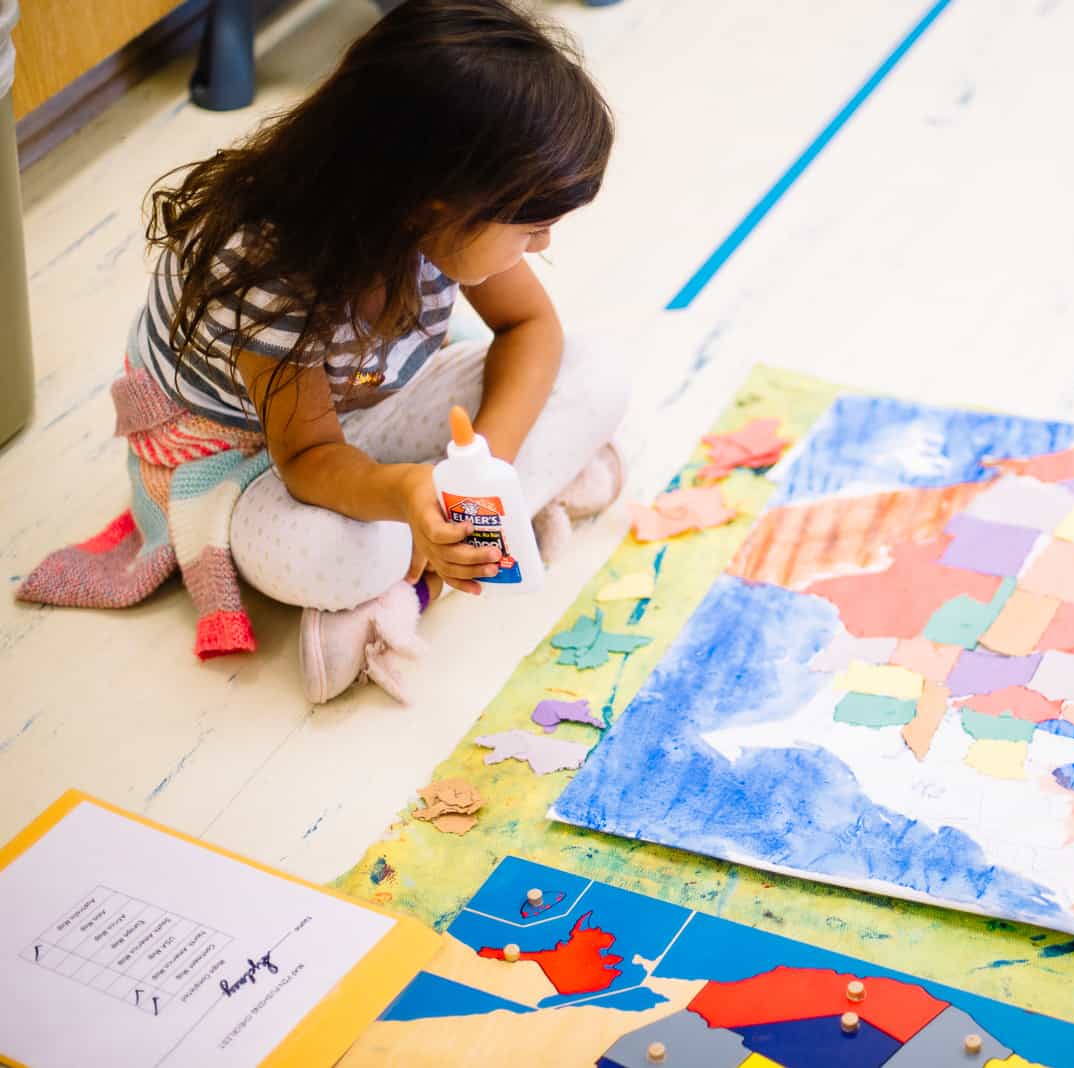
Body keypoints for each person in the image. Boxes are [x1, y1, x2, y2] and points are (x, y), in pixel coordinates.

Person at [18, 0, 628, 703]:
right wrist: (407, 495)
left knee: (598, 370)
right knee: (338, 555)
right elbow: (307, 459)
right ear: (434, 200)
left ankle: (432, 556)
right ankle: (398, 580)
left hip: (364, 401)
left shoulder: (432, 217)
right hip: (249, 454)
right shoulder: (267, 269)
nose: (543, 244)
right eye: (532, 226)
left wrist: (481, 479)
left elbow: (532, 328)